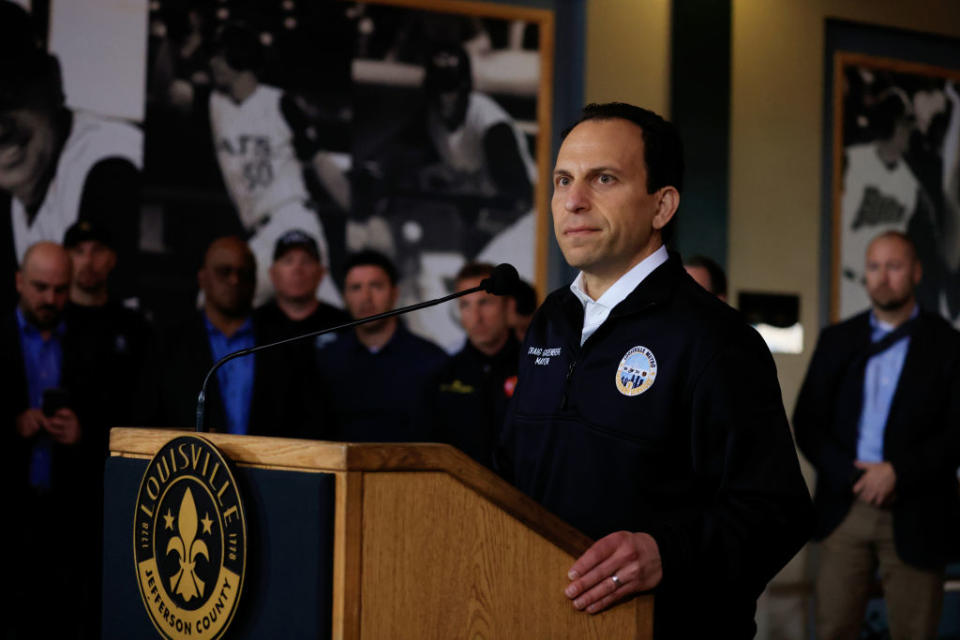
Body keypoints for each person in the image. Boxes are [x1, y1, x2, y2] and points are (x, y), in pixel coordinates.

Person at [497, 102, 813, 638]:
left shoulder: (717, 338)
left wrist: (667, 552)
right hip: (538, 617)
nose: (573, 201)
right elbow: (514, 471)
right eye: (562, 180)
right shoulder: (550, 320)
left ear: (662, 205)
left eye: (603, 178)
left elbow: (777, 511)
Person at [794, 230, 960, 640]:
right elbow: (807, 422)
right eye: (874, 267)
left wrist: (897, 472)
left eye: (894, 266)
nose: (883, 277)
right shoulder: (837, 340)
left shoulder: (948, 344)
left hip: (917, 509)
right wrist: (852, 476)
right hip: (844, 507)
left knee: (915, 632)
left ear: (917, 272)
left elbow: (957, 432)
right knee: (833, 628)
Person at [0, 1, 142, 313]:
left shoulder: (109, 169)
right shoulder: (21, 191)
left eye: (10, 96)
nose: (2, 127)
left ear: (53, 81)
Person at [2, 241, 105, 638]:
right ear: (18, 282)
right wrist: (13, 427)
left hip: (69, 522)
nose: (51, 298)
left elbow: (115, 418)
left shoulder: (91, 343)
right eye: (40, 287)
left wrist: (83, 433)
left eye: (61, 290)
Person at [207, 22, 344, 309]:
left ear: (238, 57)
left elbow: (319, 160)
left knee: (324, 316)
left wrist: (359, 211)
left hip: (291, 220)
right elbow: (170, 91)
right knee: (215, 304)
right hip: (260, 233)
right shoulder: (215, 104)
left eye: (221, 54)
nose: (213, 62)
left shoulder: (278, 102)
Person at [140, 236, 309, 436]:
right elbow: (147, 421)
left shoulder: (284, 343)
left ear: (254, 281)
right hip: (190, 464)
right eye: (224, 271)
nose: (234, 280)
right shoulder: (169, 343)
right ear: (203, 278)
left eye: (243, 273)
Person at [314, 250, 447, 442]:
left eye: (375, 286)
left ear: (395, 293)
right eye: (356, 288)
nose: (366, 297)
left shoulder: (431, 360)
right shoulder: (327, 360)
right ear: (345, 297)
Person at [63, 220, 153, 427]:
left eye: (98, 250)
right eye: (78, 251)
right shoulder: (51, 320)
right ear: (65, 258)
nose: (88, 260)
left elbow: (145, 400)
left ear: (112, 259)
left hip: (117, 449)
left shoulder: (135, 326)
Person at [430, 262, 519, 468]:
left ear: (509, 306)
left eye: (485, 303)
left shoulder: (535, 366)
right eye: (465, 305)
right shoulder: (442, 374)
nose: (476, 318)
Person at [254, 228, 349, 344]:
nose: (297, 269)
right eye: (288, 261)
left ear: (321, 273)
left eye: (306, 261)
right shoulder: (251, 325)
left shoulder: (345, 325)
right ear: (273, 273)